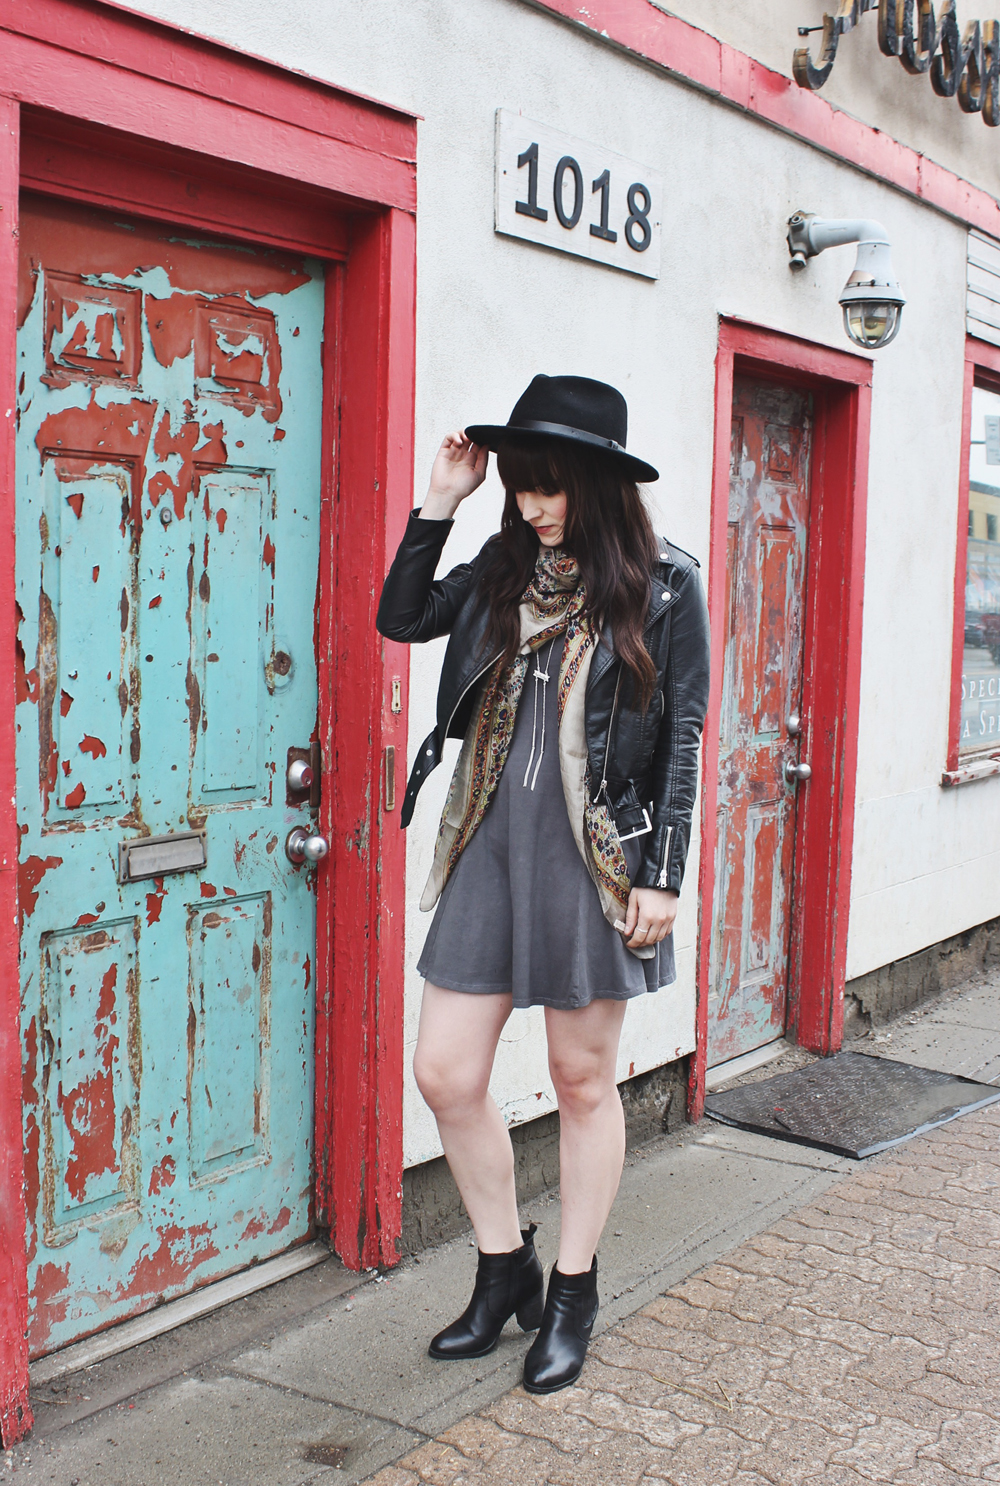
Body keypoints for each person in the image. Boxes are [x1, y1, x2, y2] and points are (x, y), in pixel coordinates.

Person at [377, 374, 710, 1394]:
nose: (532, 505)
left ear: (599, 485)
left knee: (579, 1081)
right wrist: (442, 501)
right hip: (488, 842)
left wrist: (665, 875)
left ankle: (571, 1292)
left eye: (549, 485)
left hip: (595, 854)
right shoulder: (502, 566)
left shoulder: (665, 585)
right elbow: (402, 617)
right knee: (444, 1072)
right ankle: (503, 1265)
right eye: (523, 484)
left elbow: (684, 734)